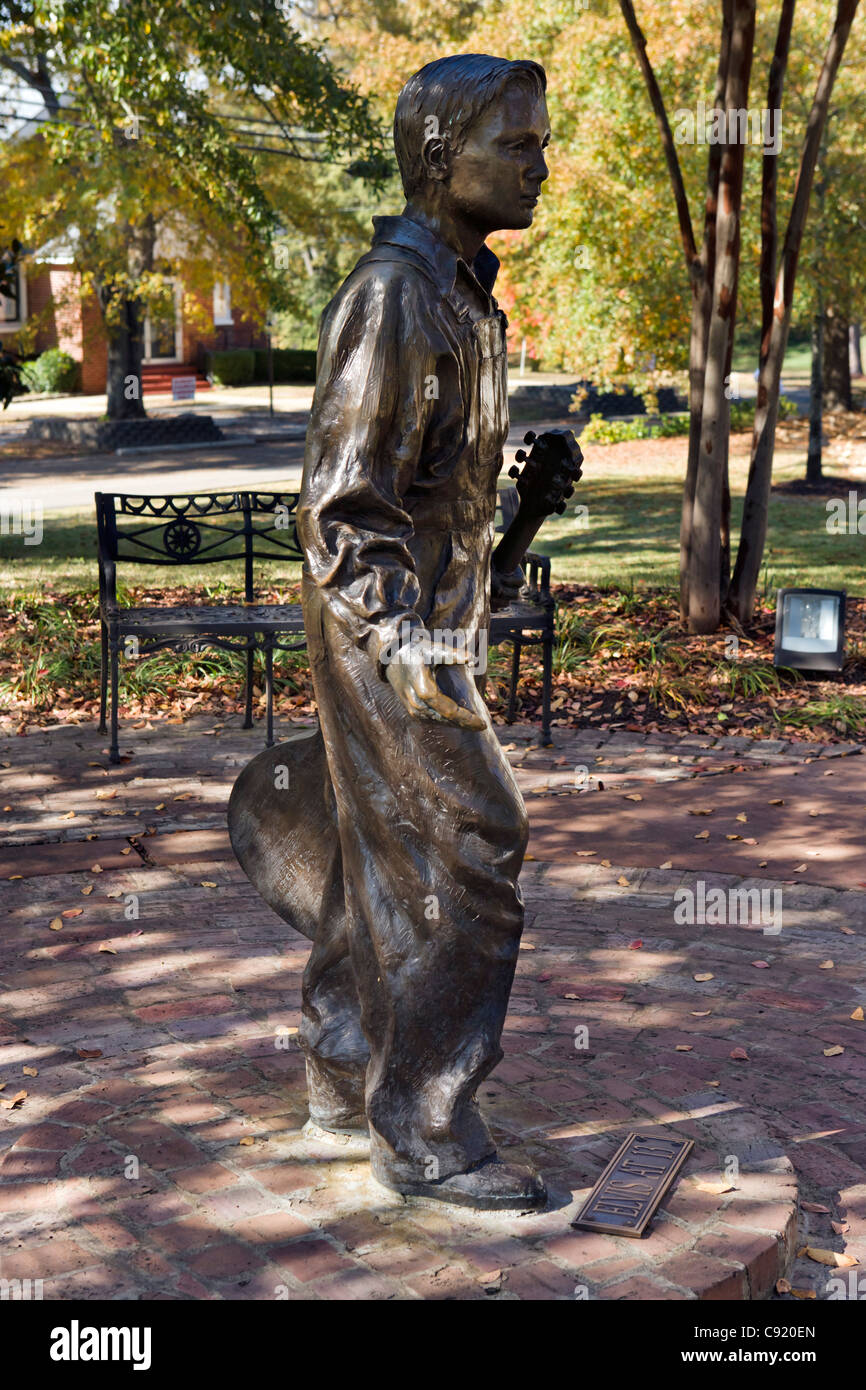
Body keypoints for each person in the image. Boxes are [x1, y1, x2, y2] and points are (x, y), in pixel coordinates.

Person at [294, 53, 551, 1209]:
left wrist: (531, 498)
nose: (538, 164)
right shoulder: (395, 296)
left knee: (379, 853)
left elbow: (442, 492)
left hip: (430, 626)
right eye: (519, 144)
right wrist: (402, 642)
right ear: (444, 159)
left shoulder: (462, 299)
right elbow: (343, 503)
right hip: (388, 631)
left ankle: (346, 1070)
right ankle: (425, 1124)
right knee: (478, 849)